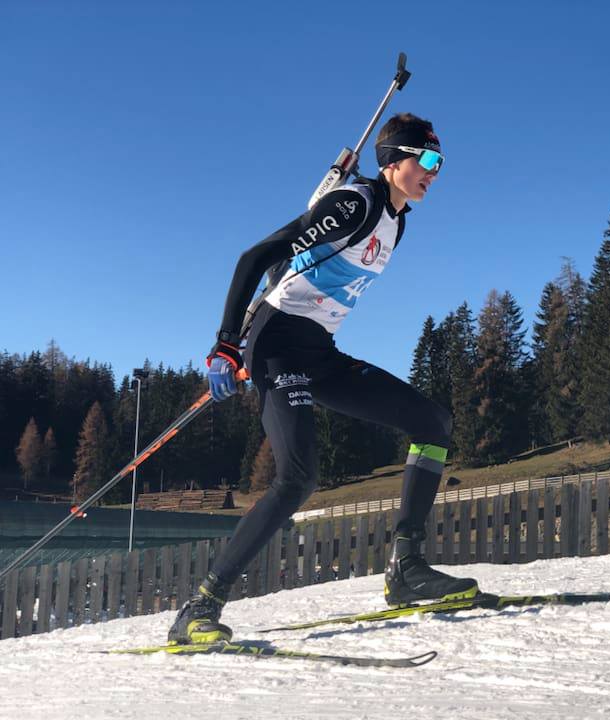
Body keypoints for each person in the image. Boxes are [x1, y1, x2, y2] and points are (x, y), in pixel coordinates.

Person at [168, 113, 477, 645]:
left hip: (316, 350)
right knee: (298, 477)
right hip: (275, 343)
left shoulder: (397, 223)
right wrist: (225, 344)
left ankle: (406, 569)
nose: (435, 171)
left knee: (433, 422)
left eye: (440, 163)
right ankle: (199, 607)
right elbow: (257, 257)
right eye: (426, 160)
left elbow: (301, 269)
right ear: (393, 159)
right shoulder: (355, 203)